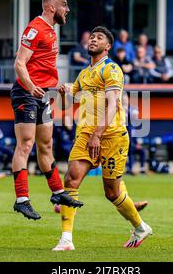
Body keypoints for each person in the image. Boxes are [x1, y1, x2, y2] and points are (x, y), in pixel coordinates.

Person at [53, 26, 152, 251]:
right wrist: (64, 93)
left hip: (112, 135)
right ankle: (66, 239)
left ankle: (140, 226)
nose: (93, 39)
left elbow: (112, 104)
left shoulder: (112, 69)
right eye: (91, 36)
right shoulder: (84, 73)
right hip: (86, 133)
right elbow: (70, 103)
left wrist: (98, 134)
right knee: (71, 179)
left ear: (107, 46)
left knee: (112, 192)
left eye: (98, 37)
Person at [11, 0, 82, 220]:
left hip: (44, 94)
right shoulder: (35, 28)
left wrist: (56, 85)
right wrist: (31, 86)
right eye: (64, 5)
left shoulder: (50, 31)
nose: (67, 10)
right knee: (26, 143)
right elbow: (19, 63)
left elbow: (41, 66)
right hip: (26, 93)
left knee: (46, 144)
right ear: (51, 8)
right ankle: (22, 199)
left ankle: (58, 192)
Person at [122, 93, 146, 175]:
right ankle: (129, 169)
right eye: (123, 99)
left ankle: (142, 169)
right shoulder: (119, 109)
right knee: (130, 150)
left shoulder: (132, 109)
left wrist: (137, 143)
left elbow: (134, 119)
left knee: (141, 151)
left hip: (132, 139)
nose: (125, 100)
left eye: (126, 99)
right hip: (123, 138)